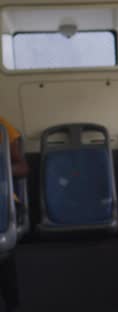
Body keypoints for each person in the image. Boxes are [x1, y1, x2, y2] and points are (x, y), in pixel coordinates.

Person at [0, 116, 23, 311]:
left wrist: (1, 170)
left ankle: (12, 304)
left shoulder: (1, 126)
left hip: (3, 200)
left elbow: (23, 167)